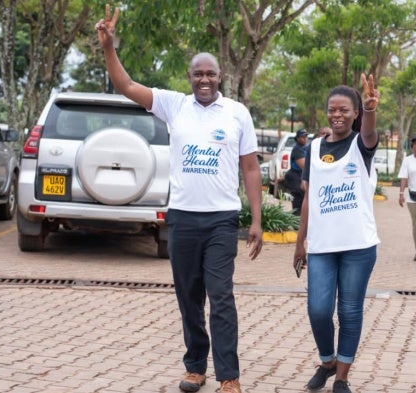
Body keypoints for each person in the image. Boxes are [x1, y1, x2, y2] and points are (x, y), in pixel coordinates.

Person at [96, 6, 263, 393]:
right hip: (184, 219)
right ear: (189, 78)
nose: (204, 79)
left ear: (221, 77)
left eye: (210, 73)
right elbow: (126, 86)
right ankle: (195, 367)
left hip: (222, 219)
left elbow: (251, 169)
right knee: (189, 297)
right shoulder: (174, 105)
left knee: (221, 298)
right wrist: (109, 48)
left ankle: (229, 375)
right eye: (197, 73)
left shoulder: (237, 113)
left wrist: (255, 220)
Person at [292, 74, 379, 393]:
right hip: (322, 246)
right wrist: (300, 243)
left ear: (355, 113)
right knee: (318, 309)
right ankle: (327, 361)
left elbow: (369, 132)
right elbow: (308, 200)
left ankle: (341, 376)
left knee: (349, 310)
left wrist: (370, 109)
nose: (337, 115)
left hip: (359, 245)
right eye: (333, 109)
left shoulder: (362, 145)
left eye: (345, 110)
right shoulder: (314, 149)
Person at [284, 128, 309, 215]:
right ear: (297, 138)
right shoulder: (297, 149)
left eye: (306, 136)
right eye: (302, 137)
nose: (305, 138)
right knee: (298, 204)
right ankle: (296, 223)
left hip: (300, 177)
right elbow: (304, 166)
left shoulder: (305, 148)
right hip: (296, 178)